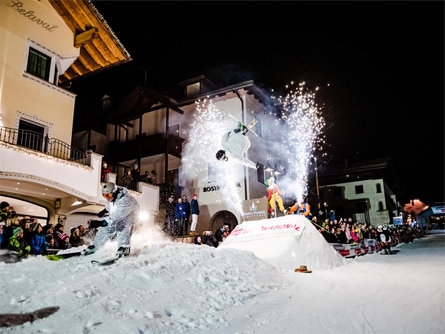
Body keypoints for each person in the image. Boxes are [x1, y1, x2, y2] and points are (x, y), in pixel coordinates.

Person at [82, 182, 140, 257]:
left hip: (132, 215)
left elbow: (118, 215)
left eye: (108, 195)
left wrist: (100, 223)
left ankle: (124, 247)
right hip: (120, 215)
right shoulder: (112, 197)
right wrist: (103, 211)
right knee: (106, 227)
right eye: (104, 195)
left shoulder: (125, 200)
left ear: (114, 193)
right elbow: (109, 206)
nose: (107, 197)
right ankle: (96, 246)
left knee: (120, 224)